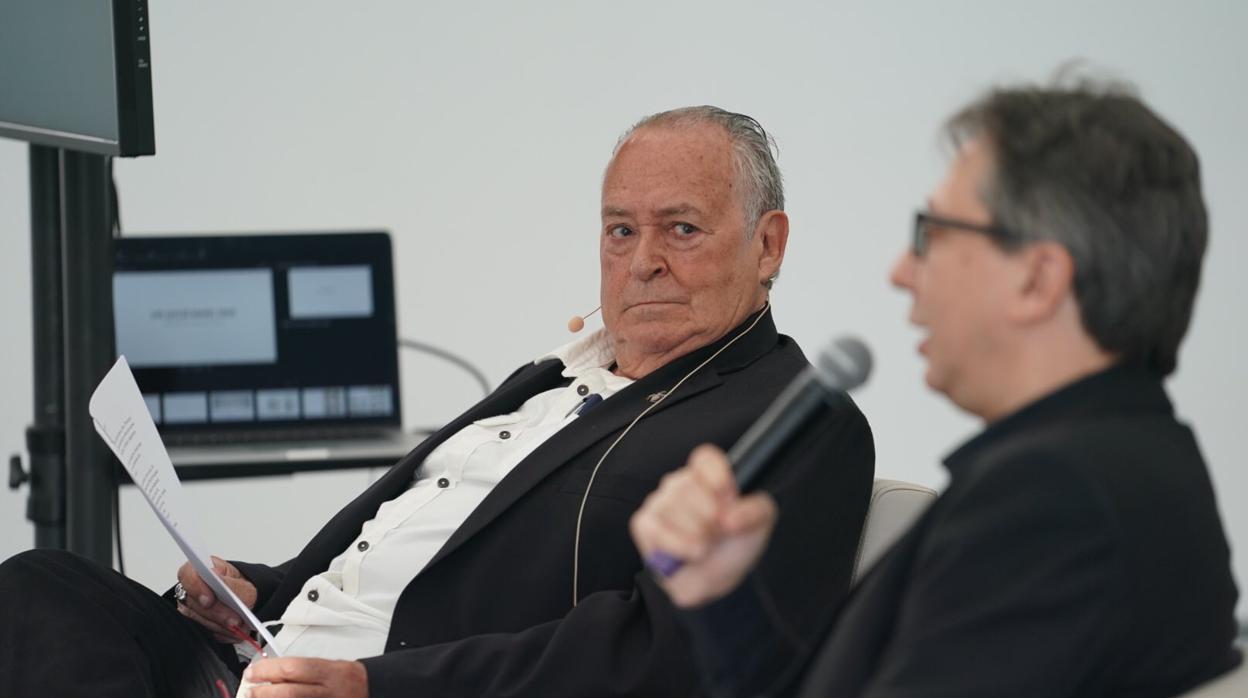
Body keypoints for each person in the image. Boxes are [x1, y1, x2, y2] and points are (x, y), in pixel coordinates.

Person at [0, 106, 875, 698]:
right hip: (264, 657)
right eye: (620, 230)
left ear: (768, 244)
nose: (642, 259)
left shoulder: (794, 424)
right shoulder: (549, 381)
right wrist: (259, 590)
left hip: (389, 687)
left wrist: (376, 685)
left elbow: (656, 653)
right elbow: (399, 549)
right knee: (41, 589)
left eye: (680, 228)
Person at [630, 80, 1242, 697]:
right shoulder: (1112, 466)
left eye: (934, 233)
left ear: (1038, 279)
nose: (902, 271)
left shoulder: (1055, 504)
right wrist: (726, 598)